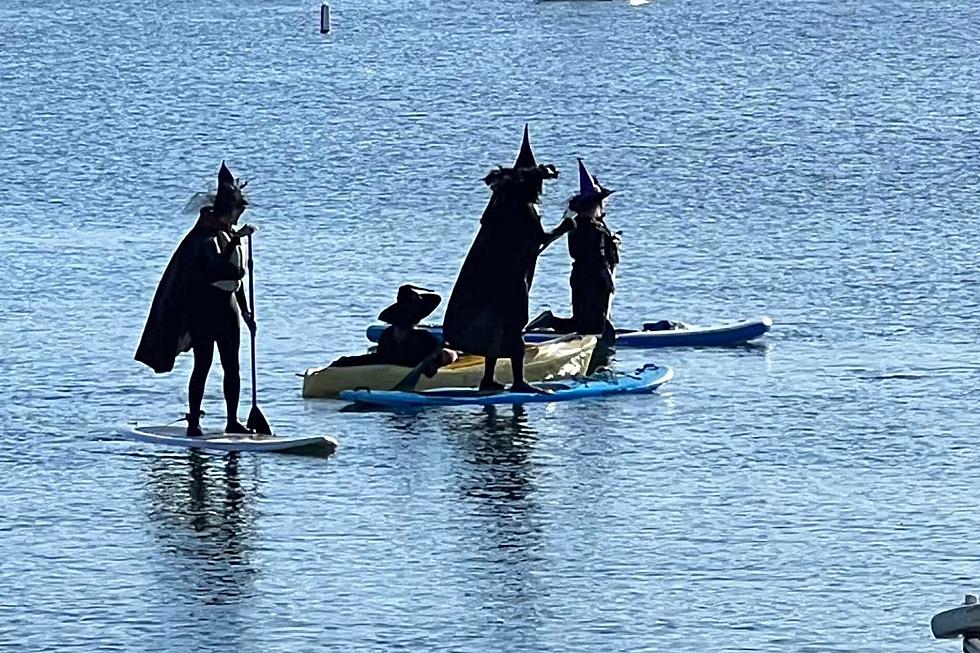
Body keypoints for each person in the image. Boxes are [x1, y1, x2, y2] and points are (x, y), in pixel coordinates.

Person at [443, 125, 574, 393]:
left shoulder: (498, 206)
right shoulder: (526, 209)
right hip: (512, 280)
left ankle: (488, 378)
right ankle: (518, 381)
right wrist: (564, 228)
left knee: (495, 325)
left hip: (488, 279)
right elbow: (538, 241)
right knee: (514, 326)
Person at [135, 161, 256, 437]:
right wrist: (236, 241)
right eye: (236, 212)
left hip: (229, 309)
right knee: (203, 364)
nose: (237, 218)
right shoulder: (203, 238)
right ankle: (193, 423)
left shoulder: (228, 234)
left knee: (232, 367)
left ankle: (232, 420)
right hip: (205, 310)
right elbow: (216, 269)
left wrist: (247, 313)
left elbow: (236, 278)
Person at [527, 158, 620, 345]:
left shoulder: (576, 226)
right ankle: (552, 321)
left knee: (582, 318)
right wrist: (607, 276)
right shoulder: (595, 229)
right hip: (593, 278)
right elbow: (599, 255)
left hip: (579, 275)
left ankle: (551, 321)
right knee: (592, 324)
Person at [375, 284, 458, 369]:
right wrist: (454, 354)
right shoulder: (423, 338)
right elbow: (443, 358)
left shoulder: (386, 335)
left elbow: (380, 357)